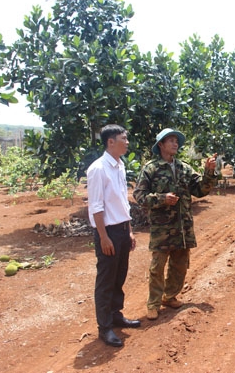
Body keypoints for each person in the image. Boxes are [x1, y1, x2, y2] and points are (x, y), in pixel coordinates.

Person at [134, 128, 217, 320]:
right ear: (160, 145)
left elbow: (200, 189)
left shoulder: (184, 168)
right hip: (162, 227)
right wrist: (162, 199)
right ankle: (153, 304)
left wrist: (209, 172)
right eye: (170, 140)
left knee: (179, 264)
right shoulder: (150, 169)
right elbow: (139, 196)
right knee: (157, 266)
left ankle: (169, 296)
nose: (175, 143)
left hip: (182, 226)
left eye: (176, 141)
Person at [87, 124, 141, 347]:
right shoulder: (98, 169)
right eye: (123, 138)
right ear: (110, 142)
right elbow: (96, 207)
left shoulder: (119, 165)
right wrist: (103, 236)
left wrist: (129, 230)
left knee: (120, 275)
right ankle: (105, 327)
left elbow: (122, 202)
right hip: (107, 231)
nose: (127, 142)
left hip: (121, 229)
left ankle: (116, 315)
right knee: (106, 280)